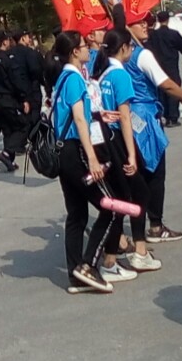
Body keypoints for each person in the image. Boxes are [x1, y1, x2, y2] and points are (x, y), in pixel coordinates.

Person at [54, 31, 125, 293]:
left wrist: (98, 115)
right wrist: (93, 159)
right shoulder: (74, 78)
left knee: (77, 215)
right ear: (75, 51)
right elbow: (79, 119)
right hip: (77, 152)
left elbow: (76, 114)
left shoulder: (62, 77)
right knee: (111, 207)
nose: (88, 49)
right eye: (84, 45)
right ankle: (88, 265)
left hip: (63, 153)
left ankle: (76, 275)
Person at [93, 28, 161, 276]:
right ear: (123, 48)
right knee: (133, 195)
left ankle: (126, 250)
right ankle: (126, 256)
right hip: (116, 141)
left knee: (126, 196)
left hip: (103, 141)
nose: (133, 50)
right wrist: (131, 154)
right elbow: (124, 117)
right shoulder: (120, 75)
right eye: (130, 46)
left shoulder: (102, 74)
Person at [125, 12, 182, 243]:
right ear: (128, 27)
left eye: (145, 21)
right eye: (138, 22)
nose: (145, 25)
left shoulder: (113, 57)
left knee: (134, 174)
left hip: (124, 117)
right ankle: (155, 225)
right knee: (155, 172)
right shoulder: (141, 55)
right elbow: (165, 83)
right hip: (145, 116)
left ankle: (134, 230)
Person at [0, 30, 30, 172]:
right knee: (23, 126)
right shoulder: (7, 60)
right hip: (8, 99)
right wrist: (23, 98)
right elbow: (15, 81)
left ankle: (9, 160)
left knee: (7, 130)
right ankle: (7, 152)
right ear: (4, 42)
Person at [148, 10, 182, 126]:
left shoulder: (152, 35)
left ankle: (164, 116)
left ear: (158, 20)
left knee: (161, 90)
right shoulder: (173, 34)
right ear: (168, 20)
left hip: (157, 66)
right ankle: (173, 117)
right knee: (174, 88)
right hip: (171, 65)